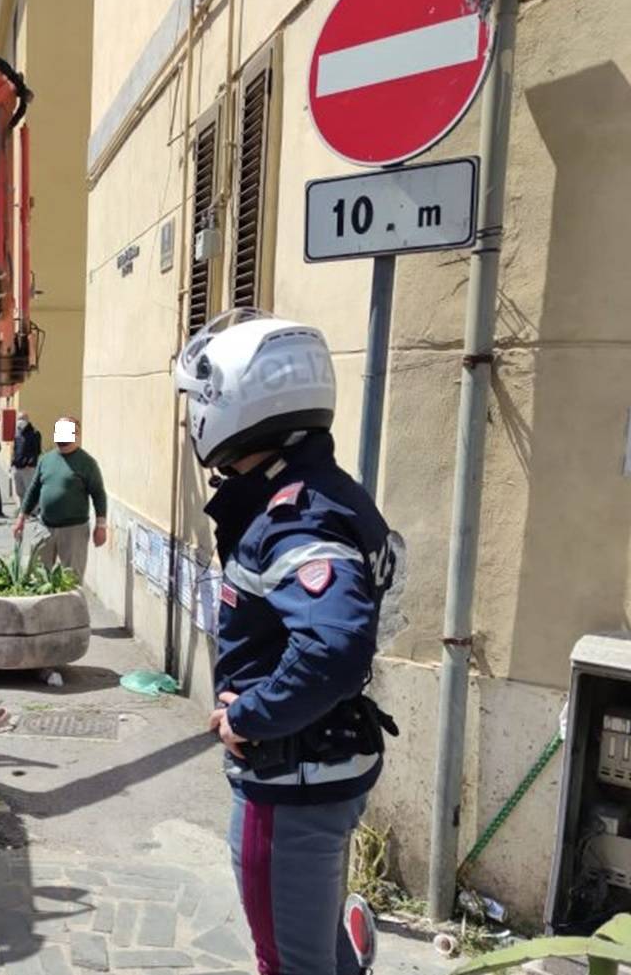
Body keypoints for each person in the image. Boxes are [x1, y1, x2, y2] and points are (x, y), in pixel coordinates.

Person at [174, 309, 399, 975]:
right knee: (309, 949)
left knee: (288, 964)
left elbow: (335, 645)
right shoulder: (327, 491)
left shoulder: (291, 517)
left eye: (200, 400)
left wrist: (249, 714)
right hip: (324, 763)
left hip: (291, 778)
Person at [12, 416, 107, 579]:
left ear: (76, 434)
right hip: (45, 527)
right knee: (37, 577)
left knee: (71, 579)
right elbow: (34, 490)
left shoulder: (87, 463)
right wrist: (21, 518)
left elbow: (98, 494)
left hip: (74, 531)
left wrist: (101, 526)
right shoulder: (46, 460)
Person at [10, 411, 42, 504]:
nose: (20, 421)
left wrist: (30, 463)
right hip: (17, 466)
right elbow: (15, 448)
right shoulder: (17, 433)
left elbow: (37, 450)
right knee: (19, 491)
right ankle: (22, 510)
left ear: (27, 420)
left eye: (23, 419)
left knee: (30, 490)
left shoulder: (34, 433)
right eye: (19, 419)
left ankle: (34, 511)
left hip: (28, 468)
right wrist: (12, 463)